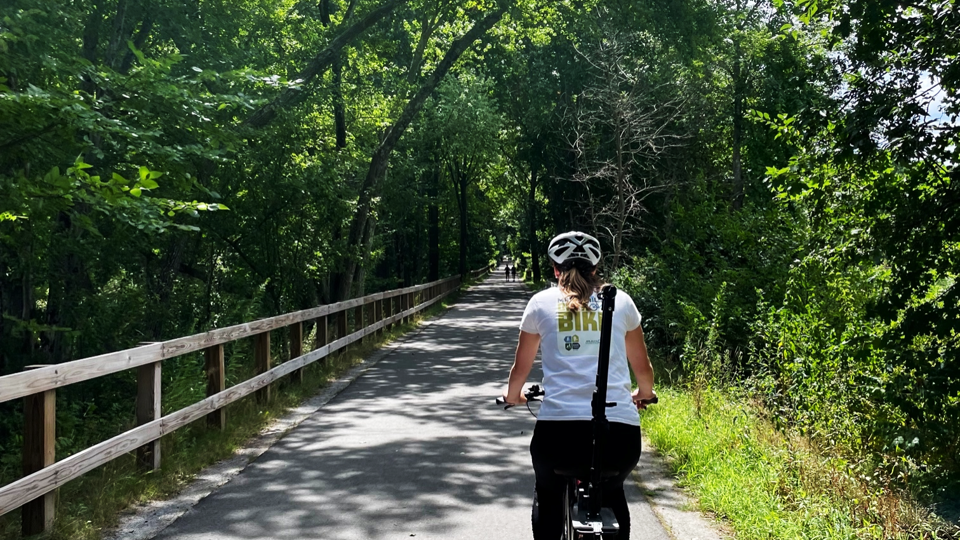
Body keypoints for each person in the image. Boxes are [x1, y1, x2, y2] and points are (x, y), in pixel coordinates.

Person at [501, 231, 656, 540]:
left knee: (548, 492)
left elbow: (521, 368)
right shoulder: (621, 301)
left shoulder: (540, 303)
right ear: (595, 269)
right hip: (619, 436)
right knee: (612, 490)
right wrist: (644, 394)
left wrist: (512, 396)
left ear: (555, 269)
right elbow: (643, 369)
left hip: (559, 435)